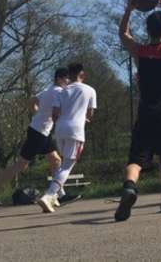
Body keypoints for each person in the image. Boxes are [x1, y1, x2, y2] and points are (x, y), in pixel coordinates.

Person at [115, 0, 161, 222]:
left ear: (147, 29)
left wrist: (129, 9)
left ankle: (129, 188)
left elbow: (123, 33)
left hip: (146, 114)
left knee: (135, 159)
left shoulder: (141, 52)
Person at [0, 67, 68, 208]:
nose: (68, 82)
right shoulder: (58, 92)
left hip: (41, 131)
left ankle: (59, 194)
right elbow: (57, 111)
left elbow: (31, 102)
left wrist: (38, 115)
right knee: (21, 165)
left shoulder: (47, 90)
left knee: (55, 159)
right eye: (66, 79)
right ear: (59, 79)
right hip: (38, 133)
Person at [37, 63, 97, 213]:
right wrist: (83, 119)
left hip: (60, 129)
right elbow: (90, 115)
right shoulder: (90, 90)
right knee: (67, 165)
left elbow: (55, 113)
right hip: (75, 130)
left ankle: (56, 194)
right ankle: (50, 195)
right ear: (82, 74)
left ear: (69, 75)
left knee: (63, 164)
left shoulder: (61, 92)